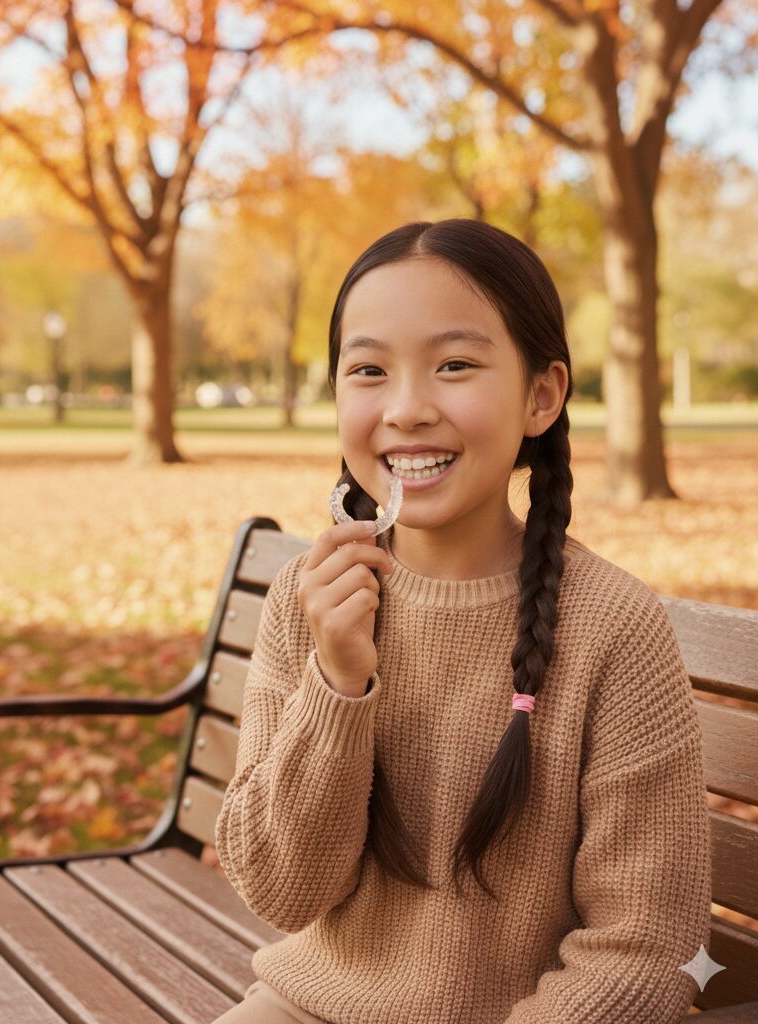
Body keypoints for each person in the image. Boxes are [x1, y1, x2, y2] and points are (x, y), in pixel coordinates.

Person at [211, 219, 711, 1024]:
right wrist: (337, 682)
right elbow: (283, 890)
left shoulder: (613, 626)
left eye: (454, 366)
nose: (406, 409)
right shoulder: (309, 600)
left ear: (541, 396)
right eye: (368, 370)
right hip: (313, 1005)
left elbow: (649, 940)